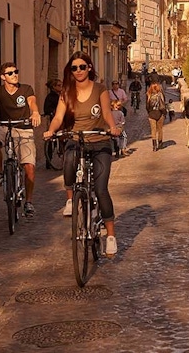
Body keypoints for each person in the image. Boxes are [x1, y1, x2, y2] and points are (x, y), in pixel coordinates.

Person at [44, 52, 122, 257]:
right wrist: (51, 130)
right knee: (68, 160)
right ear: (71, 71)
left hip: (99, 142)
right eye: (74, 68)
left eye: (82, 67)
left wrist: (112, 127)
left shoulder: (100, 89)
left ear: (89, 68)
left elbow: (106, 113)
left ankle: (111, 236)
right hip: (77, 140)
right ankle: (71, 199)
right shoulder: (66, 93)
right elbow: (58, 116)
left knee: (101, 188)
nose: (78, 71)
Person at [0, 62, 40, 216]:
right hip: (4, 126)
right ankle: (0, 172)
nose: (14, 75)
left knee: (29, 166)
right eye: (10, 73)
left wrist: (35, 113)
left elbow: (32, 102)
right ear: (3, 77)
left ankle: (29, 202)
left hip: (23, 127)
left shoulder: (26, 89)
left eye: (15, 72)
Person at [146, 81, 166, 152]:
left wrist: (149, 112)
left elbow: (147, 106)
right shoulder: (161, 94)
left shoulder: (148, 95)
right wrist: (164, 113)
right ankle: (160, 143)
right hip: (160, 113)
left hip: (152, 114)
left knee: (153, 130)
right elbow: (163, 104)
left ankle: (154, 146)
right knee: (160, 129)